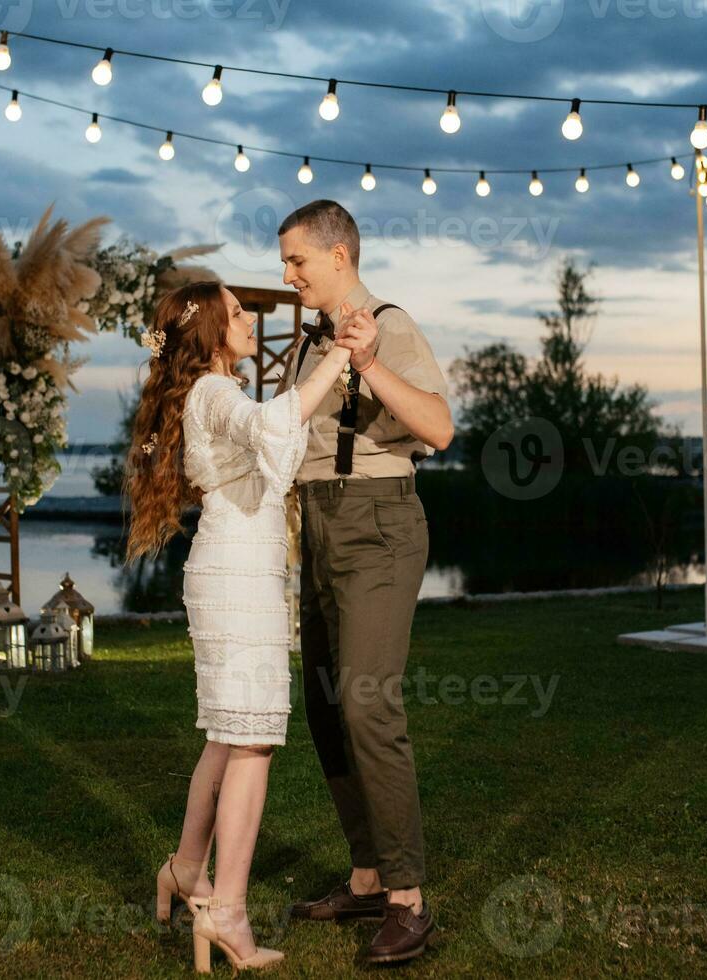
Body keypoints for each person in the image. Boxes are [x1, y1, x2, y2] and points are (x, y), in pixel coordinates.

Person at [123, 280, 367, 972]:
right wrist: (336, 360)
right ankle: (227, 909)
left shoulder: (212, 392)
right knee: (253, 743)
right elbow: (272, 430)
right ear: (208, 333)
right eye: (235, 312)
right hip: (235, 580)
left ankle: (186, 869)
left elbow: (272, 450)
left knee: (228, 740)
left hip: (238, 574)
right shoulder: (213, 394)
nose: (246, 319)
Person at [272, 200, 453, 964]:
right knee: (324, 705)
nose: (287, 276)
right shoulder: (304, 344)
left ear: (338, 255)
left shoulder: (391, 324)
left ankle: (409, 901)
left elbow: (439, 429)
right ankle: (369, 875)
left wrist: (371, 362)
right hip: (315, 525)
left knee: (369, 703)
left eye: (297, 262)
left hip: (378, 524)